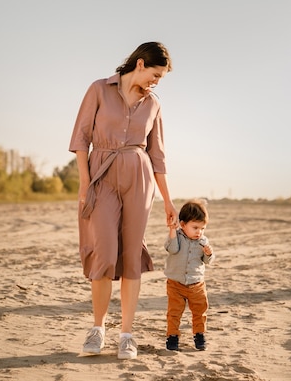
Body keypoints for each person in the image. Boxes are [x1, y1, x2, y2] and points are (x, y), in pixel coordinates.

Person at [69, 42, 178, 360]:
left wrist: (168, 202)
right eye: (155, 75)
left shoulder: (153, 104)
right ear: (141, 64)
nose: (156, 82)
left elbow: (157, 156)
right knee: (104, 253)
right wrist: (84, 182)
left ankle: (126, 335)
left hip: (139, 180)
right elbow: (80, 140)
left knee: (131, 257)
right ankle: (98, 329)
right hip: (101, 177)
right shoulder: (100, 90)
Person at [164, 199, 215, 351]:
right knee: (174, 312)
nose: (199, 232)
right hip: (175, 284)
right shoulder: (177, 237)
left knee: (200, 311)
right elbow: (172, 249)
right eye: (195, 227)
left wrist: (209, 254)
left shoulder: (203, 241)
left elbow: (207, 261)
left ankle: (199, 334)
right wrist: (172, 230)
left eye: (202, 228)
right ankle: (172, 336)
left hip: (196, 284)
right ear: (183, 224)